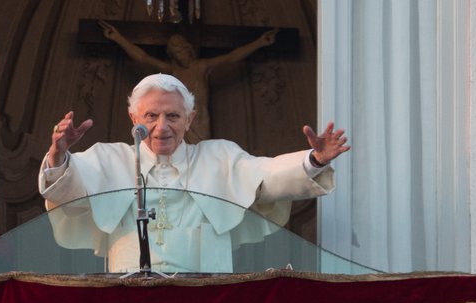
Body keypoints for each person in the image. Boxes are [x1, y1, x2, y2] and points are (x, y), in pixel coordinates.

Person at [39, 73, 349, 273]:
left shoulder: (219, 157)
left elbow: (266, 177)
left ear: (191, 119)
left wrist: (315, 160)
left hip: (206, 297)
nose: (162, 126)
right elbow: (66, 191)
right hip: (129, 296)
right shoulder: (108, 159)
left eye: (173, 116)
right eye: (151, 115)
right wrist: (58, 154)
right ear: (133, 117)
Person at [98, 21, 278, 141]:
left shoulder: (202, 66)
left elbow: (232, 57)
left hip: (200, 121)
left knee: (200, 159)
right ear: (172, 56)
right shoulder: (172, 71)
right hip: (179, 122)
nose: (181, 55)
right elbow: (143, 58)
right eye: (176, 53)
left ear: (188, 49)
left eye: (182, 50)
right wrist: (118, 38)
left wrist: (260, 43)